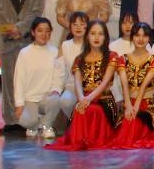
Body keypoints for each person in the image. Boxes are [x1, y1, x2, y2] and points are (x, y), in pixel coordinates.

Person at [0, 0, 45, 133]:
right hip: (7, 39)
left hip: (27, 40)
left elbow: (36, 11)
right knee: (8, 82)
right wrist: (11, 29)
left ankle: (26, 120)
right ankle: (10, 120)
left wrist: (21, 28)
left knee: (27, 82)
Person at [48, 20, 119, 150]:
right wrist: (81, 98)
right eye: (93, 33)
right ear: (87, 36)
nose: (96, 37)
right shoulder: (79, 59)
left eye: (100, 34)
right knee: (80, 109)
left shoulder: (112, 56)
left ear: (105, 37)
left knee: (92, 110)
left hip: (104, 100)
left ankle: (94, 140)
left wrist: (88, 99)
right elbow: (77, 83)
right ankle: (80, 141)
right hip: (85, 98)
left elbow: (104, 83)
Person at [13, 17, 65, 139]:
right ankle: (34, 125)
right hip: (30, 99)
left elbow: (59, 75)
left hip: (47, 97)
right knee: (24, 120)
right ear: (33, 32)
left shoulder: (55, 52)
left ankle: (46, 126)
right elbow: (19, 80)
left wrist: (55, 90)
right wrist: (19, 104)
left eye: (47, 31)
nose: (44, 34)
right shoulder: (24, 53)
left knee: (56, 99)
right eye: (40, 30)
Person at [113, 22, 154, 148]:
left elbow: (144, 85)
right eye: (137, 35)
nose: (140, 39)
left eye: (144, 36)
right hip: (129, 103)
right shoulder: (123, 59)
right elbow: (124, 84)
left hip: (148, 104)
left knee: (135, 120)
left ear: (149, 38)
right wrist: (128, 104)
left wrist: (136, 106)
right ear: (132, 37)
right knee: (126, 122)